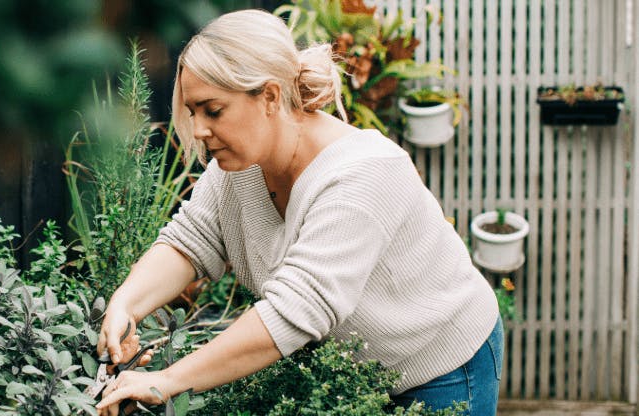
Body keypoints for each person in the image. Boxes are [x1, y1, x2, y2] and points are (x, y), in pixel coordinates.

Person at [95, 9, 502, 416]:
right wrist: (126, 304)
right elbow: (190, 242)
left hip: (440, 365)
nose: (199, 130)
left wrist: (166, 381)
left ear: (270, 96)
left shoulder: (362, 173)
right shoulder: (238, 165)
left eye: (213, 110)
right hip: (355, 367)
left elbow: (295, 310)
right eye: (192, 113)